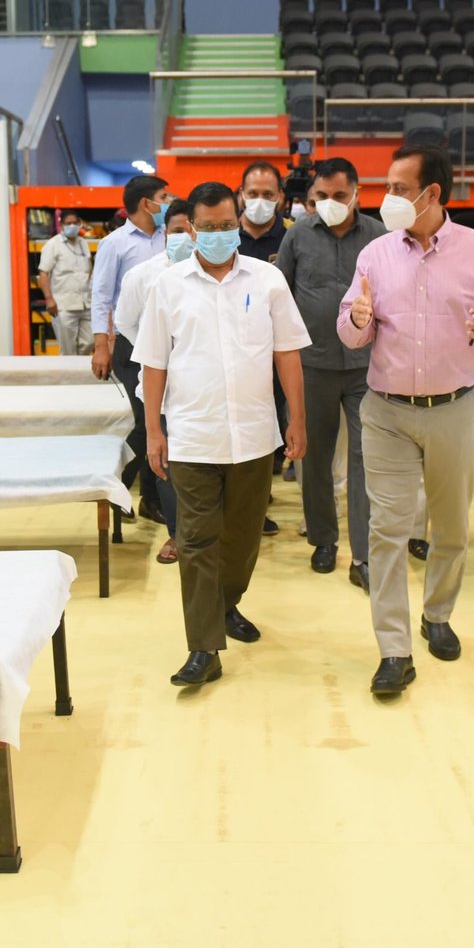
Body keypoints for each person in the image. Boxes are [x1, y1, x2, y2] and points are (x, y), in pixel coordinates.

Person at [337, 145, 474, 697]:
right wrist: (358, 318)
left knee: (451, 526)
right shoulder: (375, 254)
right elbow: (349, 329)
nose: (388, 198)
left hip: (454, 409)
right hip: (386, 412)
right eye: (388, 187)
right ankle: (393, 649)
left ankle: (437, 614)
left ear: (433, 193)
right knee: (387, 531)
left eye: (399, 189)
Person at [134, 181, 310, 687]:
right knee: (195, 540)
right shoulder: (168, 286)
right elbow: (153, 363)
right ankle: (203, 647)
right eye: (208, 227)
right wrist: (154, 431)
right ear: (191, 228)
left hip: (254, 435)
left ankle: (226, 603)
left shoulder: (268, 279)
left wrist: (297, 419)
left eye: (227, 225)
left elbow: (287, 354)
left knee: (243, 537)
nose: (218, 234)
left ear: (239, 223)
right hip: (193, 433)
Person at [276, 156, 386, 591]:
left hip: (366, 367)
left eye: (340, 195)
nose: (330, 203)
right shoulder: (299, 235)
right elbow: (280, 295)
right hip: (312, 365)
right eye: (321, 195)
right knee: (314, 457)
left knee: (365, 459)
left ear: (357, 193)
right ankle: (323, 539)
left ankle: (363, 555)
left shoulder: (379, 236)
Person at [90, 174, 178, 520]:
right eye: (164, 196)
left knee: (161, 419)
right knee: (146, 421)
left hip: (166, 344)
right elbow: (101, 296)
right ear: (146, 203)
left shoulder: (171, 236)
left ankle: (149, 498)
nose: (168, 201)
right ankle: (120, 488)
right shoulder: (115, 243)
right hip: (131, 343)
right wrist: (101, 344)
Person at [114, 200, 193, 564]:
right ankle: (177, 534)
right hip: (160, 384)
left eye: (192, 230)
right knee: (167, 463)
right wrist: (157, 351)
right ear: (164, 233)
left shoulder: (213, 275)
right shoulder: (143, 276)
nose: (186, 237)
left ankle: (210, 531)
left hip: (204, 387)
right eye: (177, 231)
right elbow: (125, 323)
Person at [237, 160, 291, 504]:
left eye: (268, 194)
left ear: (280, 197)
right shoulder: (224, 237)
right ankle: (249, 500)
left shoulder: (293, 236)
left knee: (277, 423)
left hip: (280, 350)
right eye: (253, 193)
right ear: (241, 195)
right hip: (236, 351)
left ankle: (260, 495)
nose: (260, 200)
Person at [37, 211, 93, 355]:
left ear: (80, 223)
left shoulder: (83, 243)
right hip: (63, 306)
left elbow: (89, 268)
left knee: (90, 341)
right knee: (68, 349)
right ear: (62, 225)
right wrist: (49, 299)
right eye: (68, 223)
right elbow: (44, 273)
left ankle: (78, 366)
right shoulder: (53, 245)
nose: (72, 226)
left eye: (75, 222)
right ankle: (71, 368)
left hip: (86, 303)